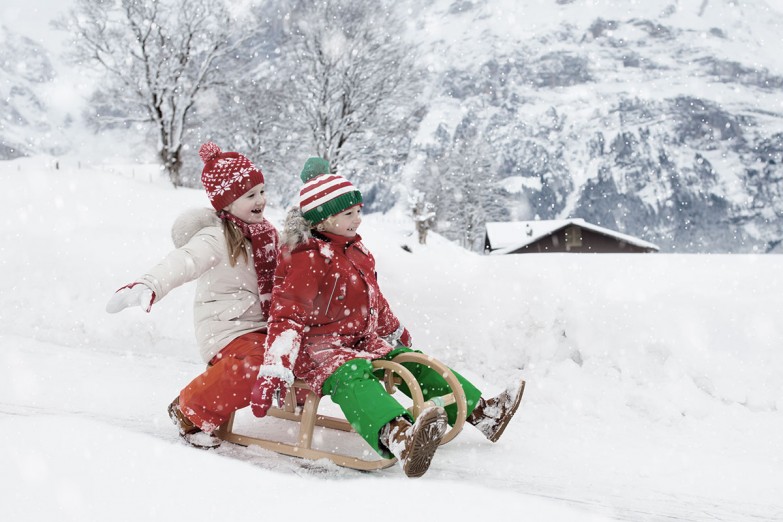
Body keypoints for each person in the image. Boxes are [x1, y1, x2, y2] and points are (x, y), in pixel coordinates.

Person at [250, 157, 525, 478]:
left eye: (358, 211)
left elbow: (374, 302)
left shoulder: (357, 251)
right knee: (351, 375)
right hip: (317, 350)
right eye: (348, 214)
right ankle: (398, 435)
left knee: (414, 361)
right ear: (323, 220)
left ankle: (485, 414)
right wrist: (276, 366)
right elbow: (287, 316)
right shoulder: (306, 258)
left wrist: (396, 333)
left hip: (360, 340)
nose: (358, 219)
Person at [106, 142, 279, 449]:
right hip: (226, 328)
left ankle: (298, 398)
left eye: (262, 191)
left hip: (260, 326)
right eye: (250, 195)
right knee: (258, 363)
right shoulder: (216, 237)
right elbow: (184, 261)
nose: (261, 200)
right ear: (226, 203)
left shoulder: (266, 235)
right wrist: (150, 284)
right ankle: (190, 409)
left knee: (294, 352)